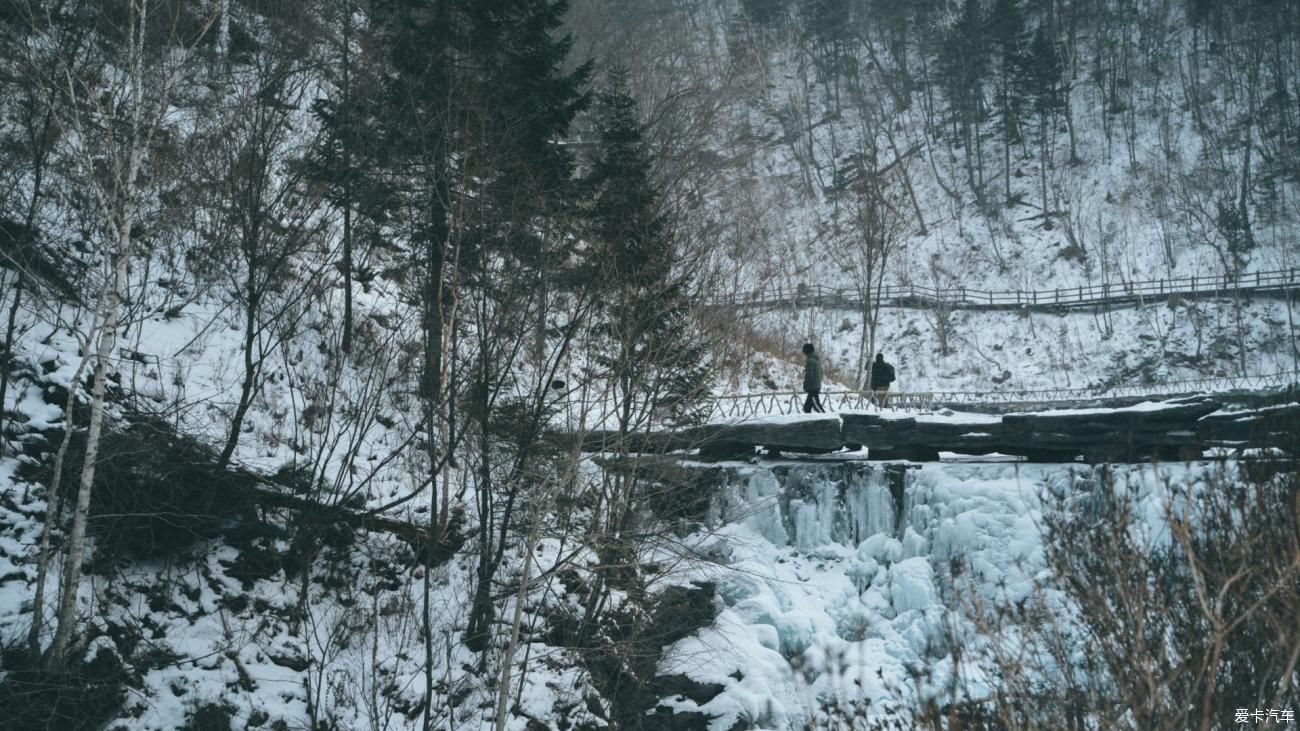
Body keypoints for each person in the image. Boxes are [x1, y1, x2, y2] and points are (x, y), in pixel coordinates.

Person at [802, 343, 825, 413]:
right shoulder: (816, 361)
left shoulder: (810, 361)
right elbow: (821, 373)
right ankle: (809, 422)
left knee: (817, 406)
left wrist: (805, 385)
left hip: (812, 388)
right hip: (816, 386)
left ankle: (826, 420)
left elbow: (809, 375)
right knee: (807, 407)